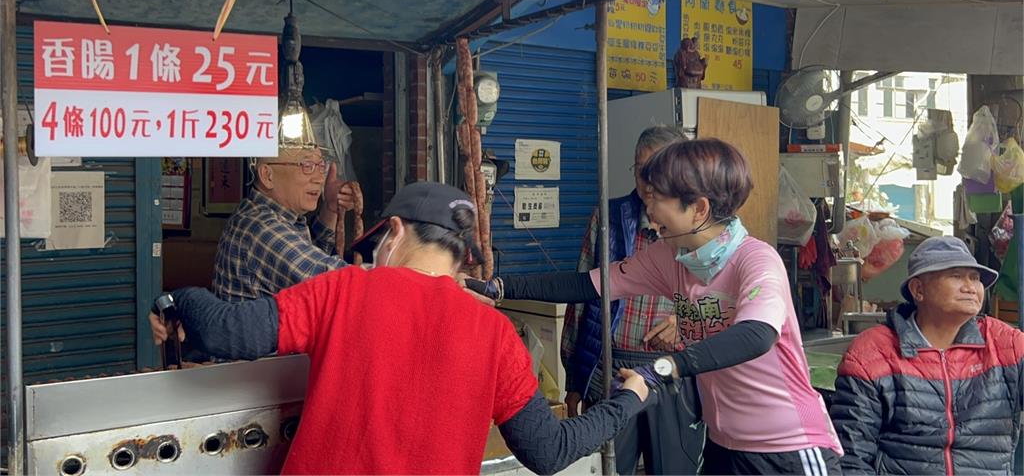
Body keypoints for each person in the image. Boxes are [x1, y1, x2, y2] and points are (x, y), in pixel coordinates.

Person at [150, 182, 652, 475]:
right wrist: (629, 397)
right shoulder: (497, 335)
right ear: (462, 258)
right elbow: (549, 452)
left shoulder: (345, 289)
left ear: (392, 234)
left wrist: (178, 302)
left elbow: (220, 331)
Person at [476, 138, 843, 475]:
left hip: (788, 445)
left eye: (656, 199)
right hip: (724, 443)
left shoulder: (756, 261)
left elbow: (757, 335)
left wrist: (663, 369)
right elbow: (588, 284)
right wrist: (501, 287)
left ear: (698, 208)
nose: (648, 211)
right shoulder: (671, 257)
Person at [561, 125, 701, 475]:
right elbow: (581, 296)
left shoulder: (699, 224)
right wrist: (574, 381)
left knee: (672, 469)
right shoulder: (609, 218)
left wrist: (684, 321)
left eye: (658, 168)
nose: (648, 180)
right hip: (611, 370)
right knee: (608, 469)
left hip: (673, 372)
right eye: (641, 169)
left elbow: (726, 301)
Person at [831, 236, 1024, 475]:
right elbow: (852, 457)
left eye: (974, 278)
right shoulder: (872, 354)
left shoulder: (1006, 344)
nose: (970, 287)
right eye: (956, 276)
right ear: (918, 289)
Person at [212, 147, 356, 302]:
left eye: (321, 166)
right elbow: (337, 282)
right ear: (267, 176)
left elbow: (312, 252)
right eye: (306, 166)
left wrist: (331, 207)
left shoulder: (272, 215)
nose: (319, 179)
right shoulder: (261, 227)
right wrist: (384, 256)